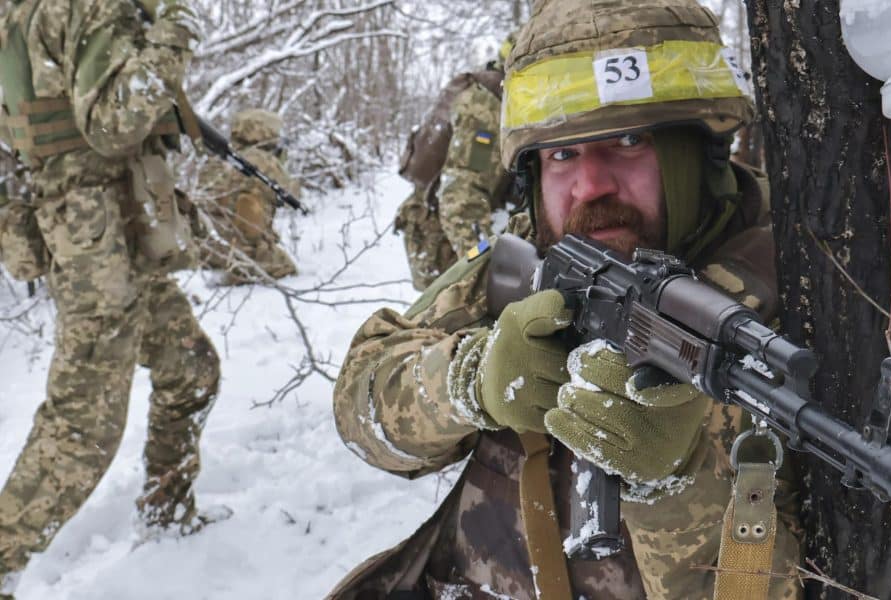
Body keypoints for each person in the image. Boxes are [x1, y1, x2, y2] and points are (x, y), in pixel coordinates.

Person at [330, 0, 802, 598]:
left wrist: (676, 484)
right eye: (561, 154)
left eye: (629, 140)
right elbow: (361, 407)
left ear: (703, 152)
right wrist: (470, 381)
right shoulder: (546, 253)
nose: (590, 185)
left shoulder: (799, 287)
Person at [0, 1, 220, 597]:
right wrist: (176, 29)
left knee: (191, 369)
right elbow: (112, 124)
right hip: (96, 245)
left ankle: (167, 515)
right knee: (84, 426)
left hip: (103, 232)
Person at [395, 36, 514, 290]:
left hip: (447, 237)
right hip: (442, 244)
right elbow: (461, 199)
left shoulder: (497, 95)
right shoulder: (486, 107)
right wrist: (488, 277)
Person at [197, 108, 299, 284]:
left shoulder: (217, 158)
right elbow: (293, 197)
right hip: (244, 252)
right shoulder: (263, 161)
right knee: (287, 266)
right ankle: (245, 266)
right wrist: (280, 162)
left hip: (208, 250)